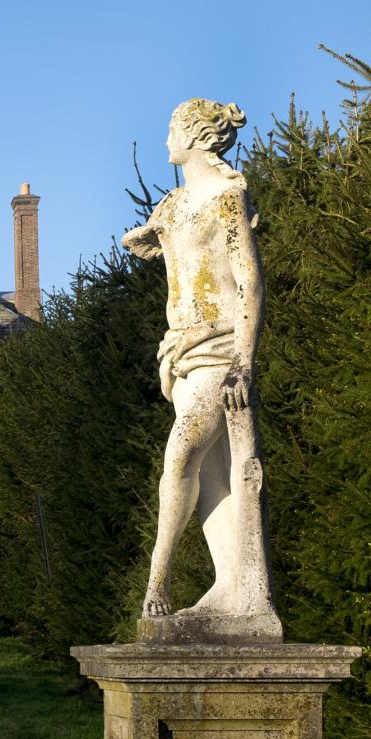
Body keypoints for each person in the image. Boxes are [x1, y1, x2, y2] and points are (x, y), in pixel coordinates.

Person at [121, 98, 276, 626]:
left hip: (220, 348)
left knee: (181, 453)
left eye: (172, 130)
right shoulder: (172, 205)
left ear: (194, 135)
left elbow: (250, 281)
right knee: (214, 475)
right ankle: (231, 586)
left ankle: (157, 577)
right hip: (183, 355)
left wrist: (244, 362)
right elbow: (146, 245)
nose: (167, 140)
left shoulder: (227, 199)